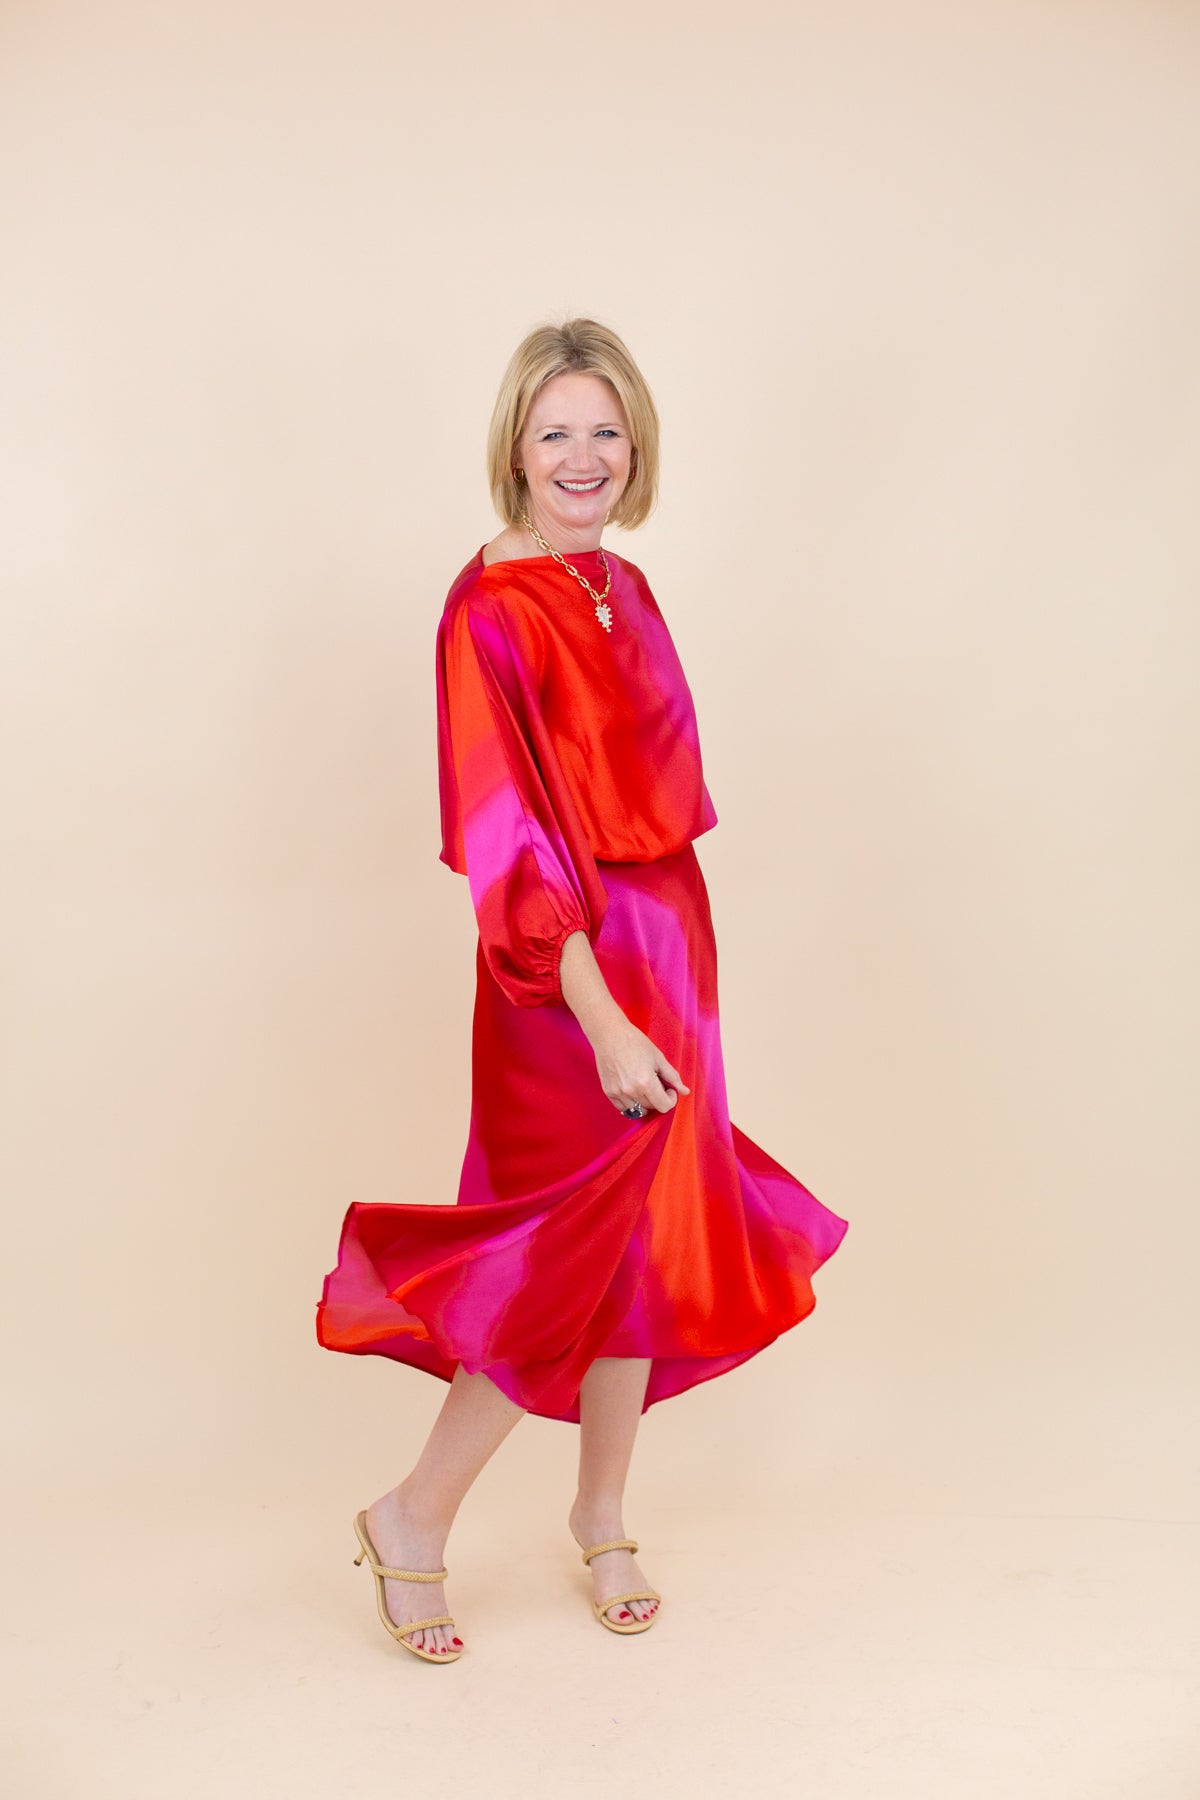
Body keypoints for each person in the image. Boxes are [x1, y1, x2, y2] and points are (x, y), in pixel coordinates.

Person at [315, 317, 849, 1664]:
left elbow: (656, 800)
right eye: (555, 431)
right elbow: (510, 843)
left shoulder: (625, 581)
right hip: (565, 972)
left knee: (649, 1241)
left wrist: (666, 988)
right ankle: (412, 1513)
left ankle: (602, 1514)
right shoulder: (491, 608)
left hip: (672, 950)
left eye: (605, 430)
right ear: (514, 447)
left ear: (637, 447)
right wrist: (602, 1017)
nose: (583, 455)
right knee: (557, 1252)